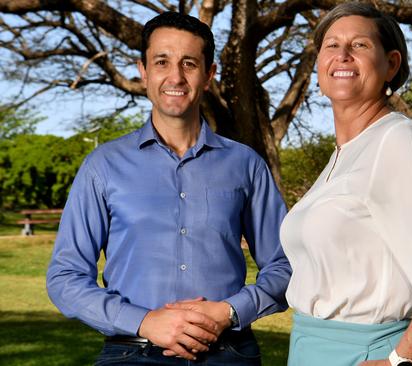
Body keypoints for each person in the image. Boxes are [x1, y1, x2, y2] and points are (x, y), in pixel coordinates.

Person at [46, 11, 291, 365]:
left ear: (209, 75)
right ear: (144, 71)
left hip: (229, 352)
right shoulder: (103, 165)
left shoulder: (246, 164)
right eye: (162, 61)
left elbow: (285, 265)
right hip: (131, 350)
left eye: (189, 63)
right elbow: (65, 276)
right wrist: (145, 322)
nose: (175, 76)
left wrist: (229, 312)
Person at [279, 3, 412, 366]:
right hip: (313, 348)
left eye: (360, 45)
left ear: (391, 65)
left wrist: (401, 361)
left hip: (372, 354)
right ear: (319, 64)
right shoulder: (345, 154)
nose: (343, 55)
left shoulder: (403, 142)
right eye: (331, 45)